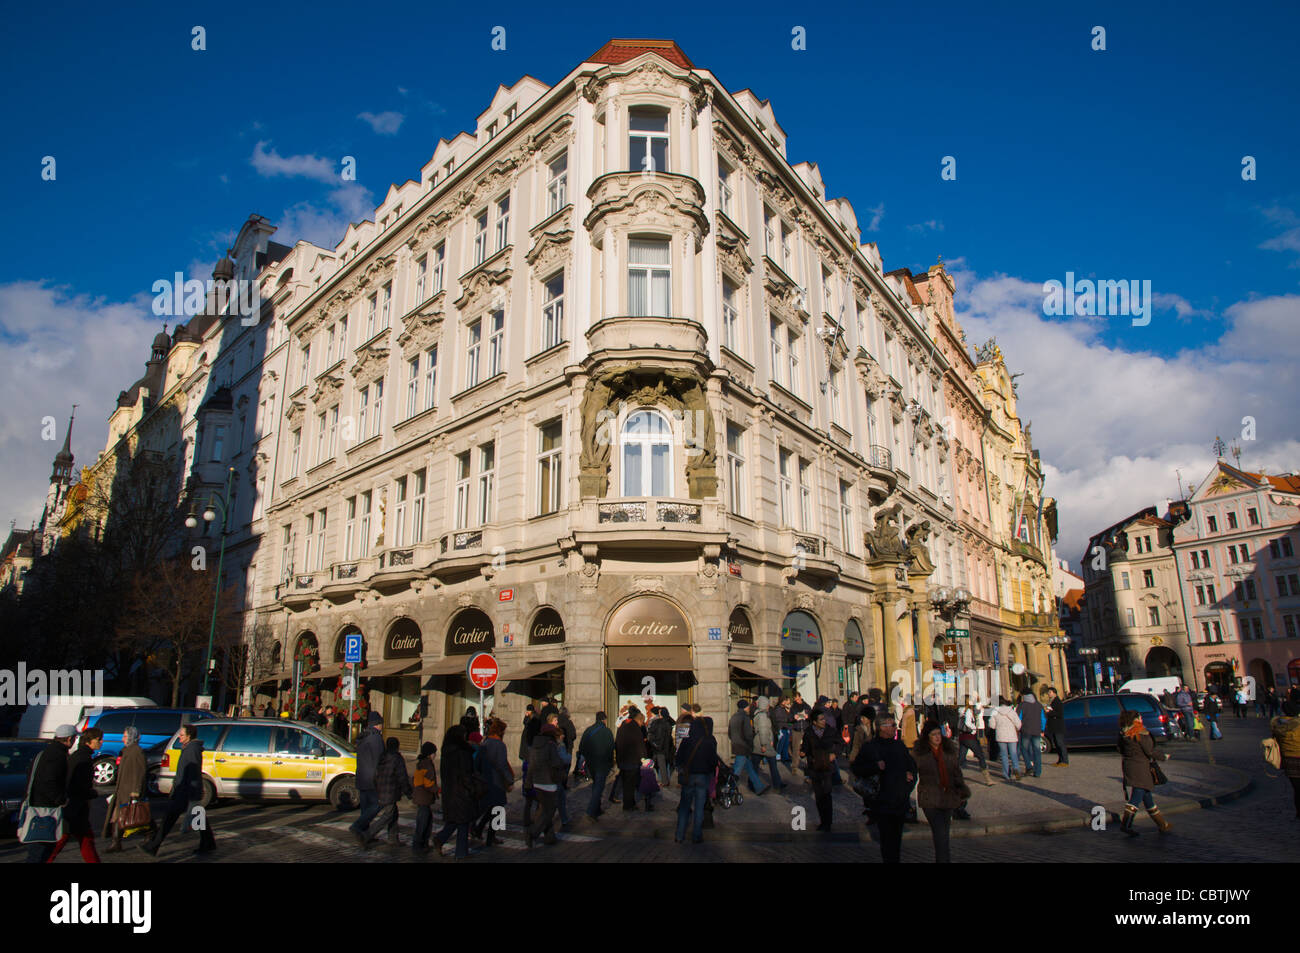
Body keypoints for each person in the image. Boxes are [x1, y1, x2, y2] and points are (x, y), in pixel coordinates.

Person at [142, 723, 215, 856]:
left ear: (189, 736)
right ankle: (208, 843)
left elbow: (192, 773)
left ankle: (153, 846)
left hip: (185, 791)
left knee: (169, 819)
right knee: (197, 818)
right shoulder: (189, 748)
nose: (179, 738)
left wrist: (190, 792)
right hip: (186, 790)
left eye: (181, 735)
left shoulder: (191, 750)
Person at [851, 715, 916, 863]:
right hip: (882, 802)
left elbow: (912, 768)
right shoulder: (871, 746)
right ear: (881, 728)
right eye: (892, 725)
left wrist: (908, 784)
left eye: (894, 725)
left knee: (896, 842)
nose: (895, 728)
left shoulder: (899, 746)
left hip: (899, 800)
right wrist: (874, 767)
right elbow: (857, 768)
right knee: (886, 842)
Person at [913, 720, 970, 862]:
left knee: (944, 834)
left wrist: (961, 791)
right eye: (934, 735)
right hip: (930, 798)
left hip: (948, 797)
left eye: (939, 734)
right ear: (927, 737)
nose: (937, 737)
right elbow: (911, 770)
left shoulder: (949, 750)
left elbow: (957, 773)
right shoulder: (920, 753)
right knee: (940, 835)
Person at [46, 727, 103, 863]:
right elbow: (78, 785)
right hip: (74, 807)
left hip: (75, 807)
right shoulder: (83, 759)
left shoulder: (79, 756)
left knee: (85, 840)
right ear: (89, 741)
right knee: (63, 840)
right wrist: (92, 793)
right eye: (98, 739)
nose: (101, 742)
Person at [1118, 709, 1172, 835]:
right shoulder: (1141, 733)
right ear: (1136, 720)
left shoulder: (1123, 733)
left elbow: (1119, 748)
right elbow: (1149, 751)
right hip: (1142, 768)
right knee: (1136, 796)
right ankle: (1126, 824)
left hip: (1129, 766)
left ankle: (1162, 824)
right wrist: (1163, 757)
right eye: (1140, 717)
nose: (1142, 719)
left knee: (1147, 797)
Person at [24, 725, 74, 863]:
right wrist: (61, 800)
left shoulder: (45, 752)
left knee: (40, 852)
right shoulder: (57, 756)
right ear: (69, 739)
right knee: (39, 853)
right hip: (44, 811)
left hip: (38, 806)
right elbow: (48, 782)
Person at [433, 725, 477, 860]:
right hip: (461, 791)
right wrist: (472, 788)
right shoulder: (462, 752)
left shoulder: (446, 751)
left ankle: (440, 839)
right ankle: (461, 852)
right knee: (463, 821)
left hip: (450, 790)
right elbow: (465, 774)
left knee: (454, 819)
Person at [524, 719, 570, 848]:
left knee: (543, 808)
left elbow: (531, 766)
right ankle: (533, 833)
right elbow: (556, 763)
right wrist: (562, 768)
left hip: (537, 782)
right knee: (549, 811)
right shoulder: (551, 745)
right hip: (549, 782)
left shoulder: (534, 745)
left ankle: (550, 836)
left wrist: (528, 783)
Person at [674, 718, 720, 843]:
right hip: (703, 776)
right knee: (699, 807)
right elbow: (713, 761)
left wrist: (681, 769)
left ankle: (679, 835)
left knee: (684, 806)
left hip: (688, 776)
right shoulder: (709, 741)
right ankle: (697, 835)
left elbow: (678, 758)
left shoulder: (687, 740)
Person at [105, 726, 148, 853]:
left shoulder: (136, 751)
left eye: (124, 736)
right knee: (117, 817)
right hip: (122, 790)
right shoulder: (126, 750)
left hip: (129, 790)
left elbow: (140, 772)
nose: (122, 739)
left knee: (136, 816)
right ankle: (116, 842)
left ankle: (150, 834)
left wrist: (136, 790)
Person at [471, 719, 512, 846]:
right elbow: (502, 764)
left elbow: (477, 762)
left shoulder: (485, 743)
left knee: (491, 807)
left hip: (486, 780)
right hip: (497, 781)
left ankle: (478, 829)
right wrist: (509, 780)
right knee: (498, 809)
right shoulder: (500, 745)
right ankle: (490, 836)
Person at [348, 712, 385, 846]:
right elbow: (379, 760)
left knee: (366, 807)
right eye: (381, 723)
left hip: (362, 776)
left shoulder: (364, 736)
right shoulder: (375, 739)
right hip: (371, 778)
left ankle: (365, 834)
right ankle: (358, 826)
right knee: (376, 805)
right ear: (377, 724)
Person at [368, 736, 412, 845]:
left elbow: (375, 773)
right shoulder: (397, 758)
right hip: (391, 790)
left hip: (381, 789)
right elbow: (402, 777)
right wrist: (408, 792)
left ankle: (393, 838)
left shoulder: (382, 757)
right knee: (388, 815)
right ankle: (367, 834)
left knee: (393, 813)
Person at [802, 709, 838, 831]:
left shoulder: (830, 731)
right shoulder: (808, 733)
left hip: (827, 766)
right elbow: (805, 747)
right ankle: (823, 821)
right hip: (815, 766)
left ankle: (828, 822)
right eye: (821, 719)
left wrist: (834, 754)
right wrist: (803, 752)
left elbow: (840, 743)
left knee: (827, 794)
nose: (824, 721)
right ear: (814, 722)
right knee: (819, 795)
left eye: (824, 719)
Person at [727, 700, 770, 796]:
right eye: (748, 707)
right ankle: (730, 790)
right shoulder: (745, 718)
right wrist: (751, 745)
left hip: (736, 746)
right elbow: (748, 734)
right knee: (737, 771)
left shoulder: (733, 717)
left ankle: (759, 787)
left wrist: (735, 740)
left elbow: (729, 733)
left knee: (749, 768)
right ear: (745, 707)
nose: (749, 708)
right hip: (743, 747)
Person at [578, 712, 615, 820]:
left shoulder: (588, 730)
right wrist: (610, 762)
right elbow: (611, 748)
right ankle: (592, 810)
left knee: (596, 784)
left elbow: (581, 747)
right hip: (602, 763)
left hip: (591, 763)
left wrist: (588, 757)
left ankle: (597, 808)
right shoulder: (607, 731)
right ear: (604, 720)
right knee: (599, 786)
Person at [1270, 700, 1300, 819]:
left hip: (1288, 759)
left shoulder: (1278, 725)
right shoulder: (1298, 725)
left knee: (1297, 788)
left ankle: (1299, 811)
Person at [615, 706, 647, 811]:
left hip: (623, 759)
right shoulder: (635, 729)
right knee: (630, 784)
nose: (642, 724)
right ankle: (628, 805)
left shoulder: (624, 726)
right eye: (642, 722)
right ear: (639, 720)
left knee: (626, 783)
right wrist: (643, 758)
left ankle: (630, 802)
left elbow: (617, 742)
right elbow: (640, 745)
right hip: (632, 760)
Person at [752, 697, 785, 792]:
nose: (768, 706)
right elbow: (763, 731)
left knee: (755, 765)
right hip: (763, 743)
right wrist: (763, 744)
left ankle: (753, 784)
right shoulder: (762, 716)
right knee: (772, 764)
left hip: (761, 743)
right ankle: (777, 785)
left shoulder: (760, 714)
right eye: (767, 704)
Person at [412, 741, 439, 853]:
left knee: (425, 821)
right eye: (434, 753)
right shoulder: (427, 764)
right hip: (424, 797)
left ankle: (422, 843)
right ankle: (419, 844)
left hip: (421, 796)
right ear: (429, 754)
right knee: (423, 823)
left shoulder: (422, 763)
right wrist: (437, 790)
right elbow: (428, 783)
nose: (435, 755)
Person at [957, 699, 992, 786]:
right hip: (970, 736)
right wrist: (974, 728)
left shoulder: (962, 710)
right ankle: (988, 778)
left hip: (962, 736)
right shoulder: (969, 711)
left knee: (961, 759)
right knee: (980, 755)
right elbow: (968, 723)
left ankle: (954, 777)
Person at [990, 697, 1022, 780]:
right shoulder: (1011, 711)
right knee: (1013, 754)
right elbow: (1018, 723)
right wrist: (1017, 728)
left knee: (1004, 755)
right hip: (1012, 735)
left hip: (1001, 735)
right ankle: (1016, 769)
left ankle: (1006, 773)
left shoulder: (995, 712)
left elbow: (992, 725)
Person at [1016, 691, 1045, 778]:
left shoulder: (1022, 705)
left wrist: (1018, 728)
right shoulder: (1039, 705)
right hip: (1037, 730)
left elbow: (1018, 718)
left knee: (1023, 749)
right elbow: (1043, 718)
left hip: (1025, 730)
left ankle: (1029, 765)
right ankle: (1038, 772)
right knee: (1037, 751)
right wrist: (1042, 729)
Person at [647, 707, 676, 788]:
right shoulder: (669, 723)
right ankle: (664, 781)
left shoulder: (658, 723)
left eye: (659, 713)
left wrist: (654, 743)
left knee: (654, 764)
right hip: (666, 747)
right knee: (662, 764)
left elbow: (654, 734)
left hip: (658, 746)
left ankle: (657, 780)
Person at [1042, 687, 1069, 767]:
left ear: (1054, 693)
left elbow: (1059, 713)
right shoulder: (1051, 701)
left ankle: (1064, 761)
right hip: (1053, 726)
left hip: (1058, 726)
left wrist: (1049, 712)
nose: (1048, 694)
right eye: (1048, 692)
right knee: (1056, 744)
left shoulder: (1057, 701)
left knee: (1060, 743)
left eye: (1049, 692)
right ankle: (1060, 760)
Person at [790, 692, 811, 776]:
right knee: (796, 748)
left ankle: (809, 765)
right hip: (797, 729)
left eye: (797, 698)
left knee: (807, 748)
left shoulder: (807, 706)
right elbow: (790, 718)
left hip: (805, 728)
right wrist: (793, 718)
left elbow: (812, 716)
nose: (796, 700)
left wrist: (808, 716)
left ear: (800, 697)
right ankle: (794, 766)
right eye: (795, 699)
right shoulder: (793, 707)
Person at [771, 696, 792, 764]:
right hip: (780, 728)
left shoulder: (784, 709)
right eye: (786, 701)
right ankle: (778, 755)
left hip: (786, 727)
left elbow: (788, 718)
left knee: (786, 743)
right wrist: (786, 718)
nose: (787, 703)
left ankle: (785, 757)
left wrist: (789, 712)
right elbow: (778, 718)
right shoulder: (778, 709)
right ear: (783, 701)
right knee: (780, 743)